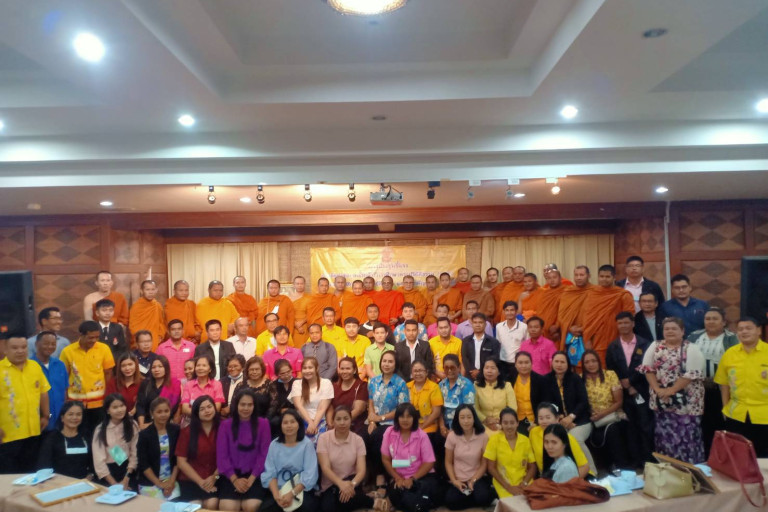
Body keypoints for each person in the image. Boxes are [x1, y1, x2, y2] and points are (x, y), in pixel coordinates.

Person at [639, 317, 706, 463]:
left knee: (687, 438)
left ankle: (689, 470)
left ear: (682, 331)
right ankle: (668, 469)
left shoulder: (691, 348)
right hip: (662, 402)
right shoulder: (655, 346)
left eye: (674, 328)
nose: (670, 331)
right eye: (667, 329)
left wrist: (671, 390)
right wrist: (657, 389)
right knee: (664, 437)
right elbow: (647, 369)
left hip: (687, 404)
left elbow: (692, 374)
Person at [605, 312, 654, 467]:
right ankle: (634, 461)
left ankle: (648, 459)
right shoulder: (613, 346)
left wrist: (632, 383)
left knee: (645, 426)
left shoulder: (645, 344)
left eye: (626, 322)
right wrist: (623, 384)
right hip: (623, 394)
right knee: (629, 427)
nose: (623, 326)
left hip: (642, 391)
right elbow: (611, 370)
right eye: (620, 323)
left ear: (633, 324)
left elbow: (648, 366)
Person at [687, 307, 739, 453]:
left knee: (721, 423)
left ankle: (721, 456)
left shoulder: (732, 338)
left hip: (721, 389)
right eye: (707, 319)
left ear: (723, 322)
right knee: (701, 424)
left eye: (715, 319)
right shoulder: (694, 337)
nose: (710, 322)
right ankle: (703, 455)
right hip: (697, 389)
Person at [715, 317, 768, 457]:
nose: (744, 332)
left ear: (759, 331)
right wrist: (724, 407)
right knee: (738, 456)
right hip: (736, 414)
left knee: (763, 457)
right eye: (740, 329)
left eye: (748, 328)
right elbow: (724, 383)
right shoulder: (730, 354)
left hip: (764, 415)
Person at [0, 336, 51, 474]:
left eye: (23, 347)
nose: (20, 351)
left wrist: (46, 415)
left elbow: (43, 392)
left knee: (30, 473)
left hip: (33, 431)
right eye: (15, 348)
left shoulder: (34, 366)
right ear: (5, 349)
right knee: (8, 475)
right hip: (7, 435)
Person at [217, 389, 272, 512]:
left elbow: (264, 454)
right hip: (230, 476)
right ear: (236, 405)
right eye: (242, 404)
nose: (246, 408)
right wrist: (235, 480)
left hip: (255, 475)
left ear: (254, 406)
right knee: (228, 507)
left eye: (249, 405)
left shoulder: (264, 424)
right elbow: (222, 456)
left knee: (251, 506)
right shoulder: (225, 425)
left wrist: (251, 479)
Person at [380, 403, 439, 512]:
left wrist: (412, 479)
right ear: (397, 418)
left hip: (420, 476)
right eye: (402, 416)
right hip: (399, 476)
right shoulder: (389, 433)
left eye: (409, 416)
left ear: (414, 418)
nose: (405, 420)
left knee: (419, 490)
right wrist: (397, 477)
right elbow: (386, 459)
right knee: (397, 492)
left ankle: (413, 504)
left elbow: (429, 462)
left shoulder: (421, 435)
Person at [542, 351, 594, 471]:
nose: (559, 365)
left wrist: (571, 417)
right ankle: (565, 472)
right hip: (559, 421)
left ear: (567, 364)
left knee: (574, 438)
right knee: (556, 439)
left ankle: (591, 471)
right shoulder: (546, 380)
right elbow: (548, 403)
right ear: (552, 363)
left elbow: (583, 402)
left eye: (562, 362)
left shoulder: (575, 378)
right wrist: (562, 419)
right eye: (556, 361)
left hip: (580, 420)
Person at [60, 321, 116, 433]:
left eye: (97, 337)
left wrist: (107, 396)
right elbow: (64, 377)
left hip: (99, 402)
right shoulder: (67, 351)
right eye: (90, 337)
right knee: (78, 432)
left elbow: (108, 373)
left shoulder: (104, 349)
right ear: (81, 335)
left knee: (99, 432)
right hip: (76, 401)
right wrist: (66, 399)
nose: (94, 340)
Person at [581, 350, 632, 470]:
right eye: (587, 362)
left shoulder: (610, 375)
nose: (591, 364)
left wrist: (602, 414)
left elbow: (618, 402)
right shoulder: (580, 379)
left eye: (593, 361)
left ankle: (622, 466)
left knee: (612, 430)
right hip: (592, 418)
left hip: (613, 415)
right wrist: (592, 414)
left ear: (599, 362)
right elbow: (580, 401)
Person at [317, 406, 373, 512]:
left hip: (351, 481)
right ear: (333, 421)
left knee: (344, 499)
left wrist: (351, 485)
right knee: (327, 508)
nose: (342, 422)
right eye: (338, 419)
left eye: (346, 419)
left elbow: (361, 470)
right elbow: (325, 468)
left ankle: (370, 501)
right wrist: (340, 484)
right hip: (331, 483)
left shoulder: (358, 440)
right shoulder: (324, 438)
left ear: (351, 420)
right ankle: (366, 499)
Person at [366, 350, 409, 489]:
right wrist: (372, 421)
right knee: (362, 437)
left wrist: (380, 418)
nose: (387, 364)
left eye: (390, 361)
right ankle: (367, 477)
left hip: (393, 422)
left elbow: (402, 409)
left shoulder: (400, 383)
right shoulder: (374, 381)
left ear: (395, 364)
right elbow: (370, 402)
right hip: (374, 420)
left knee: (378, 436)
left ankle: (382, 476)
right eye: (384, 361)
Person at [262, 409, 320, 512]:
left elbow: (310, 474)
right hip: (279, 489)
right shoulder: (274, 445)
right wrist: (277, 496)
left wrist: (291, 494)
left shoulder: (307, 444)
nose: (289, 425)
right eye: (285, 423)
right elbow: (270, 473)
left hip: (301, 489)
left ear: (299, 424)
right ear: (280, 425)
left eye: (292, 422)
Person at [581, 265, 635, 364]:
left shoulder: (623, 295)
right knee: (597, 365)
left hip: (616, 336)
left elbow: (629, 318)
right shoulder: (591, 294)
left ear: (614, 277)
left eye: (607, 277)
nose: (604, 279)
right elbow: (586, 318)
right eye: (601, 276)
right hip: (595, 337)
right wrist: (587, 339)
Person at [445, 404, 494, 509]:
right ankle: (475, 498)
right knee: (450, 502)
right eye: (462, 417)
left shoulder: (483, 436)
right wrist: (454, 481)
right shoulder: (451, 436)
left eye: (469, 417)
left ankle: (476, 497)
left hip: (477, 478)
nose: (466, 421)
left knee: (482, 497)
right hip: (459, 478)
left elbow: (484, 463)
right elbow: (448, 462)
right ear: (457, 419)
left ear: (474, 418)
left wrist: (473, 480)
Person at [176, 395, 220, 509]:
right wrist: (200, 482)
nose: (207, 411)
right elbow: (181, 462)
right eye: (202, 409)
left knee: (212, 503)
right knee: (195, 505)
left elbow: (227, 458)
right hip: (191, 479)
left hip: (216, 478)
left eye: (209, 407)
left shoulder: (223, 428)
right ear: (196, 413)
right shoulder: (187, 432)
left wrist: (214, 477)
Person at [484, 407, 536, 498]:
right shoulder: (494, 440)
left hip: (524, 483)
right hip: (503, 484)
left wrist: (524, 483)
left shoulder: (525, 440)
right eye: (505, 423)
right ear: (501, 424)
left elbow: (532, 467)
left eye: (512, 423)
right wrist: (508, 487)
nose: (509, 426)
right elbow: (491, 468)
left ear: (517, 423)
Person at [528, 403, 590, 478]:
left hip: (569, 477)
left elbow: (584, 467)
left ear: (557, 418)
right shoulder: (534, 433)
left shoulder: (567, 438)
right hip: (547, 477)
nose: (544, 421)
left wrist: (568, 483)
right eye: (541, 418)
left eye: (548, 417)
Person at [92, 393, 139, 489]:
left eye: (122, 406)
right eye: (115, 407)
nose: (120, 410)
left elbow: (135, 453)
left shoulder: (132, 425)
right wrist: (115, 485)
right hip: (107, 475)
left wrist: (126, 479)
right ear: (107, 410)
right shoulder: (100, 430)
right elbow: (99, 461)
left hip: (128, 471)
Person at [37, 401, 93, 479]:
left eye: (78, 414)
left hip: (85, 482)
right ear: (62, 418)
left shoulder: (87, 436)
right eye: (70, 414)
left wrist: (90, 476)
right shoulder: (52, 438)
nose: (74, 417)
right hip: (58, 482)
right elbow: (44, 465)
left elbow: (93, 463)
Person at [137, 397, 180, 499]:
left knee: (176, 504)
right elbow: (143, 464)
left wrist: (171, 481)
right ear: (152, 414)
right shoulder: (144, 434)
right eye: (159, 412)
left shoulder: (176, 430)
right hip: (150, 482)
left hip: (171, 480)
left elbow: (178, 459)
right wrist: (159, 484)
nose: (163, 414)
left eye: (166, 411)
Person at [289, 357, 334, 444]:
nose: (307, 371)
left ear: (317, 368)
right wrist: (310, 422)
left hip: (320, 420)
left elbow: (322, 408)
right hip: (301, 420)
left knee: (319, 442)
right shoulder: (297, 383)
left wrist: (314, 425)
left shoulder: (326, 383)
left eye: (310, 367)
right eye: (304, 368)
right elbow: (299, 406)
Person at [31, 331, 68, 431]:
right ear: (36, 344)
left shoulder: (60, 364)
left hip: (60, 420)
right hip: (39, 421)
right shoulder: (29, 366)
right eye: (46, 343)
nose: (50, 347)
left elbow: (65, 390)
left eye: (53, 344)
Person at [136, 355, 181, 429]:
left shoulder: (174, 384)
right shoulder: (145, 383)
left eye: (160, 366)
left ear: (166, 368)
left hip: (165, 424)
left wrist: (152, 424)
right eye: (153, 367)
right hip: (145, 423)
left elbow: (172, 408)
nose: (156, 369)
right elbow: (140, 405)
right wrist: (141, 424)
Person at [328, 357, 368, 435]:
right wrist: (330, 423)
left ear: (354, 370)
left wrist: (341, 423)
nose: (344, 371)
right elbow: (330, 407)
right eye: (342, 369)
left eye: (348, 368)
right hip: (335, 425)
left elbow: (358, 409)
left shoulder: (362, 385)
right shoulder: (334, 386)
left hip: (355, 427)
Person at [474, 358, 516, 431]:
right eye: (486, 368)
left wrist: (500, 421)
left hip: (503, 424)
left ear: (499, 372)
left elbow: (513, 408)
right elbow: (475, 408)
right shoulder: (476, 386)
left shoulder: (507, 385)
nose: (489, 371)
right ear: (482, 370)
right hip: (482, 424)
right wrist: (485, 419)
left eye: (493, 368)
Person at [508, 351, 545, 435]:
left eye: (526, 362)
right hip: (516, 420)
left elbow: (544, 403)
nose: (523, 366)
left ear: (531, 364)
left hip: (536, 420)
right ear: (515, 364)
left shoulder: (540, 380)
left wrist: (537, 422)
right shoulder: (510, 379)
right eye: (520, 363)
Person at [438, 354, 475, 436]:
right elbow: (439, 409)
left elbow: (469, 410)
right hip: (444, 427)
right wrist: (442, 427)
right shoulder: (441, 385)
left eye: (452, 367)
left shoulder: (466, 385)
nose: (449, 370)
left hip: (462, 426)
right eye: (446, 368)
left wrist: (454, 430)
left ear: (459, 368)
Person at [558, 266, 593, 349]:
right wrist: (569, 328)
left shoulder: (595, 291)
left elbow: (598, 315)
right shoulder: (568, 292)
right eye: (576, 275)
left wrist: (583, 328)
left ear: (589, 276)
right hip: (570, 334)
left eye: (581, 275)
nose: (578, 278)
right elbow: (561, 315)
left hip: (590, 333)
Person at [461, 313, 501, 380]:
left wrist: (480, 371)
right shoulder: (465, 341)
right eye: (475, 322)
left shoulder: (493, 342)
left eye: (480, 322)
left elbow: (495, 359)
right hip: (470, 376)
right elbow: (465, 358)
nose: (478, 325)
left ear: (485, 324)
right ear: (472, 324)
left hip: (487, 376)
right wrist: (473, 372)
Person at [129, 280, 167, 350]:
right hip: (141, 341)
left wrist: (160, 335)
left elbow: (162, 323)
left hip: (155, 340)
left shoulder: (157, 306)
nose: (150, 292)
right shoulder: (136, 307)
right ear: (141, 291)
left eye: (153, 289)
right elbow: (133, 326)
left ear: (156, 290)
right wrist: (141, 338)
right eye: (147, 289)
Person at [496, 300, 529, 379]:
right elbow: (498, 344)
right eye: (507, 310)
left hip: (517, 363)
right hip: (502, 362)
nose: (509, 313)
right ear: (504, 312)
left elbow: (527, 345)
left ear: (516, 311)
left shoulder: (524, 327)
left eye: (512, 310)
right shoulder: (499, 327)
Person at [105, 352, 143, 417]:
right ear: (119, 368)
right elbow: (108, 404)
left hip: (138, 418)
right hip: (116, 418)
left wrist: (137, 408)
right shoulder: (112, 383)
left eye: (130, 364)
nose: (127, 368)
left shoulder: (143, 383)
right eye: (123, 366)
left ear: (136, 365)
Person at [537, 269, 567, 344]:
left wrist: (557, 325)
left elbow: (566, 311)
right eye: (549, 278)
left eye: (554, 277)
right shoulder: (545, 293)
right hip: (543, 328)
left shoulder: (566, 291)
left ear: (560, 278)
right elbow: (541, 310)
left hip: (558, 329)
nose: (552, 280)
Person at [290, 276, 311, 346]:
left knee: (305, 347)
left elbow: (311, 313)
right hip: (293, 325)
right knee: (294, 347)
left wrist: (301, 323)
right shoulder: (289, 298)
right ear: (294, 285)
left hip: (305, 326)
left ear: (304, 284)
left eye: (301, 283)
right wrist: (296, 324)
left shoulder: (310, 298)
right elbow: (288, 314)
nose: (299, 285)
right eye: (297, 283)